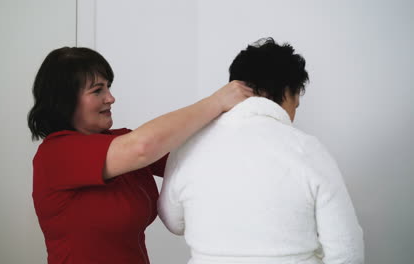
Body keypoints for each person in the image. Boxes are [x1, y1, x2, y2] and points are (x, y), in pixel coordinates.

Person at [27, 47, 253, 264]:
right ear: (65, 100)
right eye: (98, 90)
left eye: (108, 87)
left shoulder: (120, 141)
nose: (111, 98)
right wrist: (217, 101)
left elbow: (193, 160)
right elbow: (142, 147)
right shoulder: (56, 154)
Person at [158, 38, 364, 264]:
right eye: (297, 98)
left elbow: (173, 221)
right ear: (288, 93)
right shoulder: (308, 149)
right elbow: (346, 250)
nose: (296, 108)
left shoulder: (188, 144)